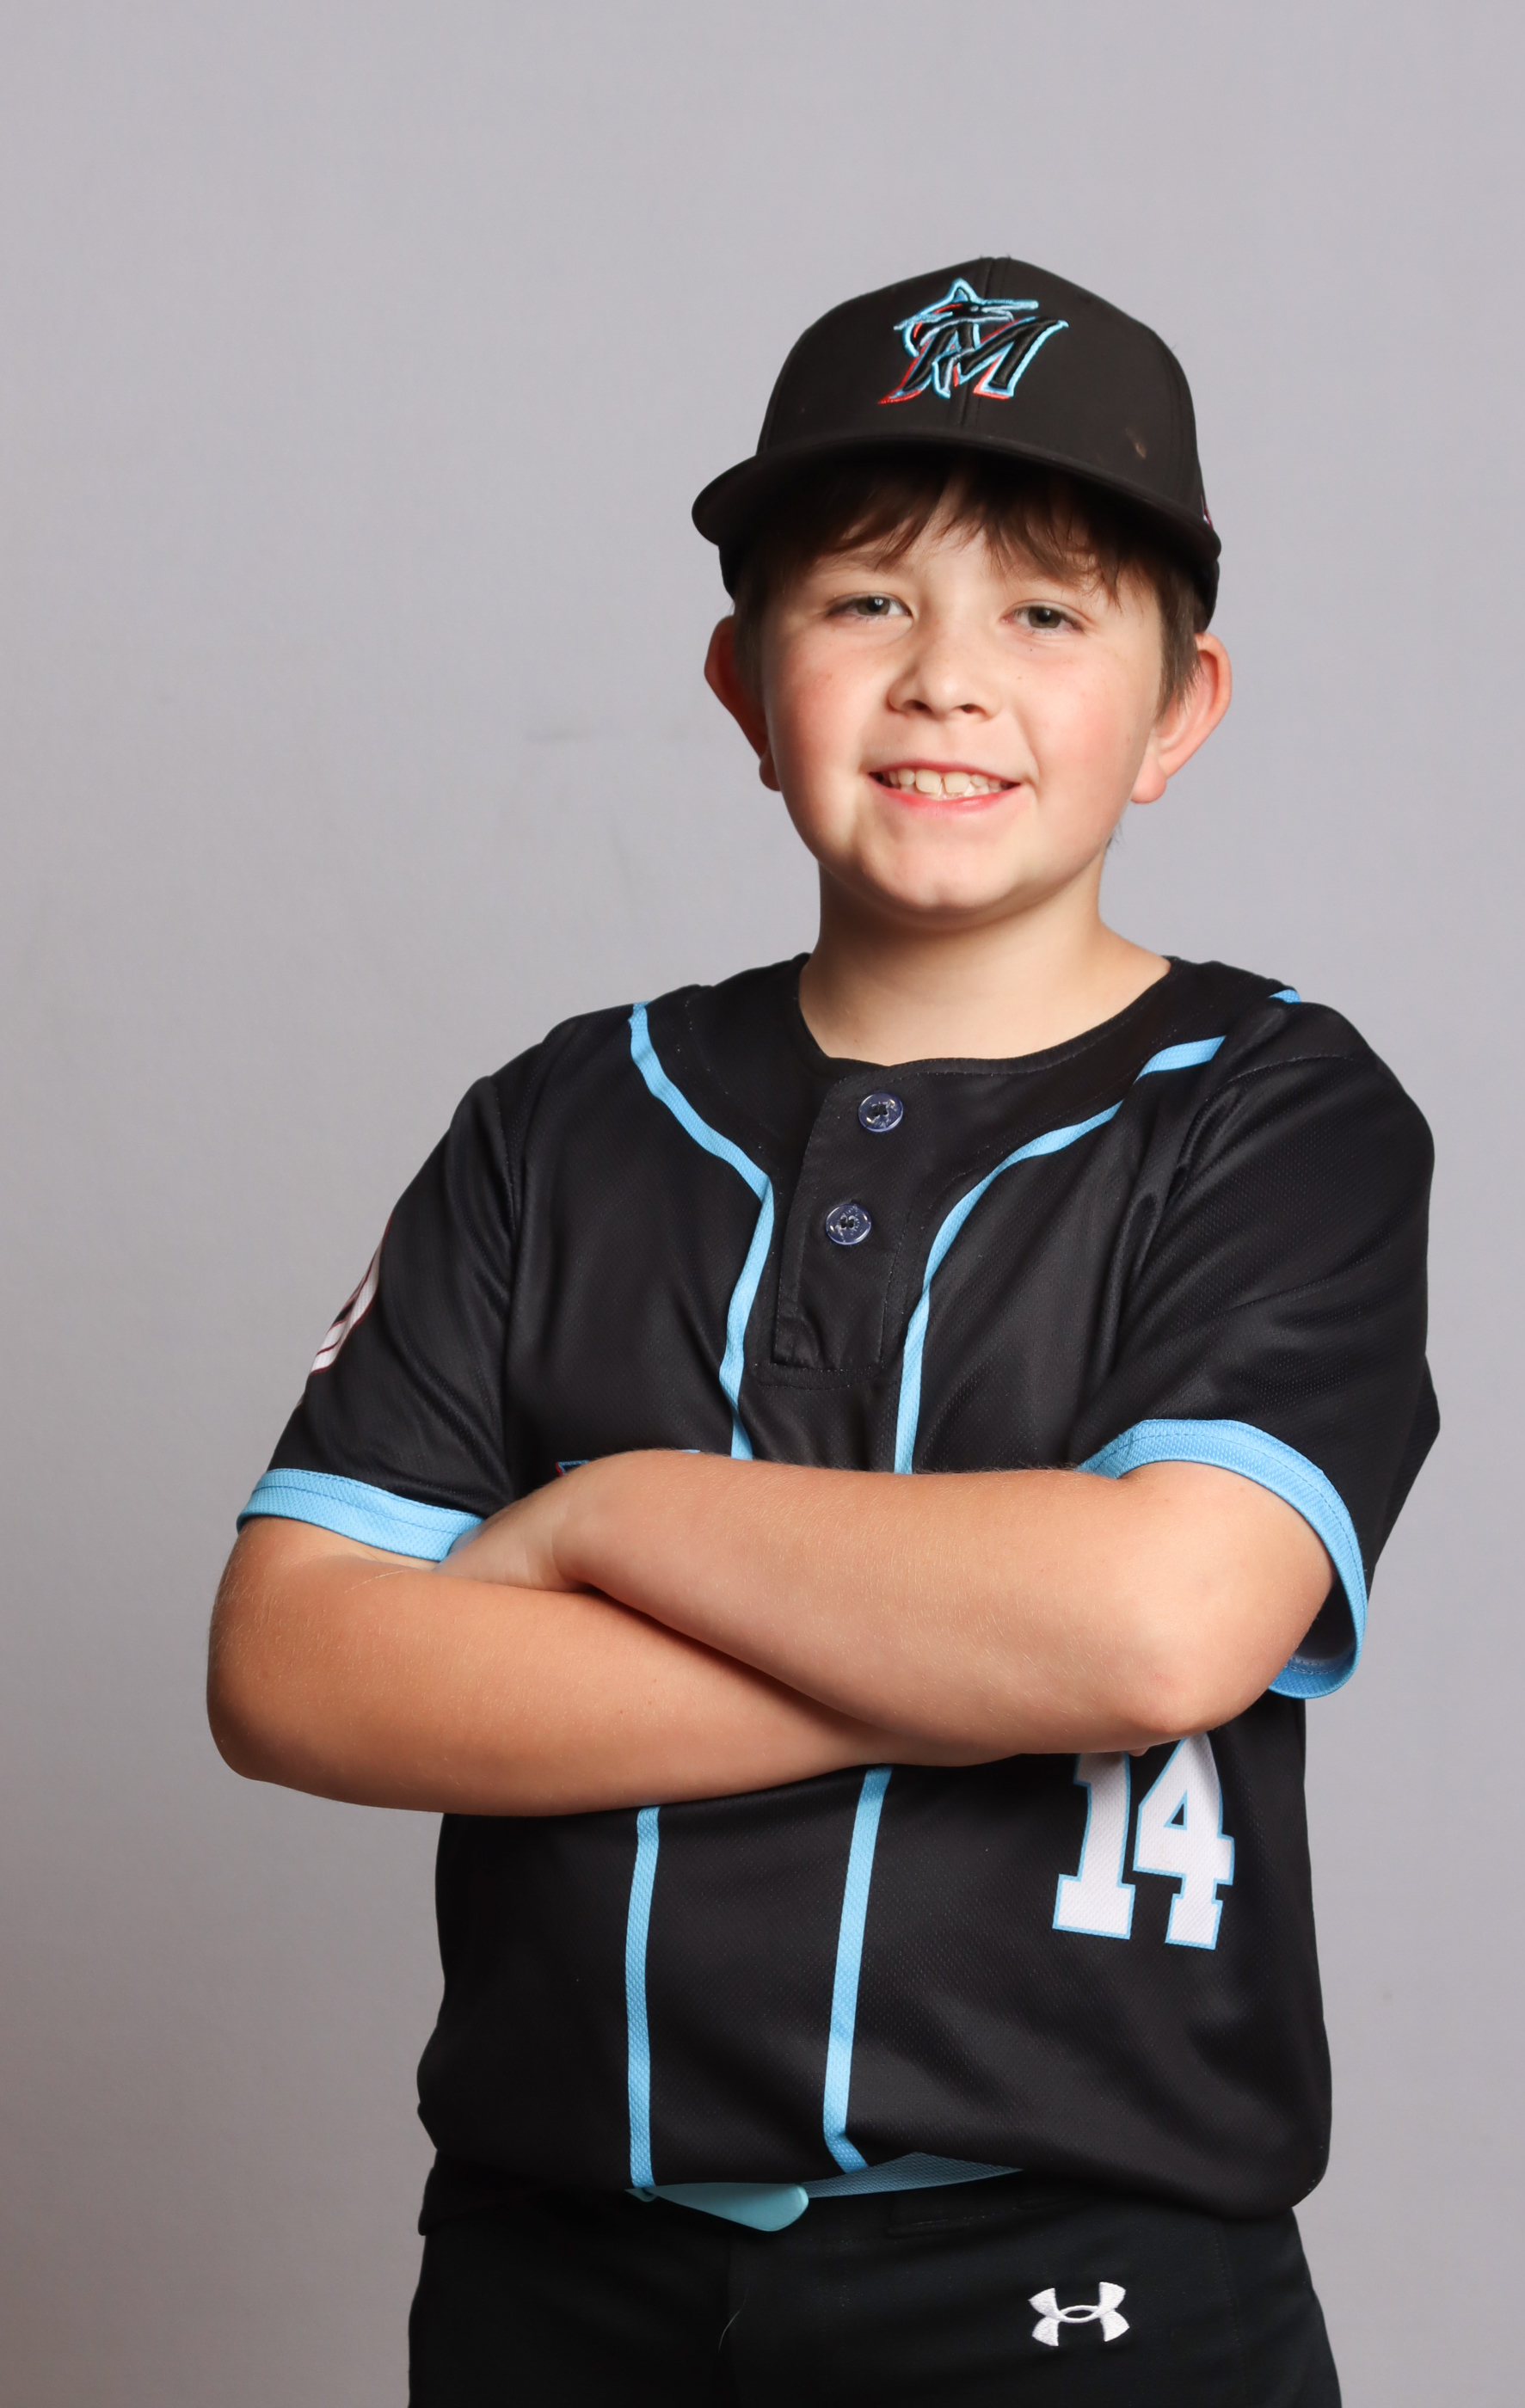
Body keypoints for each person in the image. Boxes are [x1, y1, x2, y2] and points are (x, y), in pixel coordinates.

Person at [209, 257, 1436, 2405]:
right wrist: (968, 1661)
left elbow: (1156, 1629)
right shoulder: (566, 1120)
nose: (947, 678)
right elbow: (297, 1665)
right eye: (866, 599)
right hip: (558, 2260)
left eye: (1045, 614)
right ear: (742, 678)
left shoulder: (1272, 1109)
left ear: (1178, 709)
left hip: (1086, 2264)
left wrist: (610, 1515)